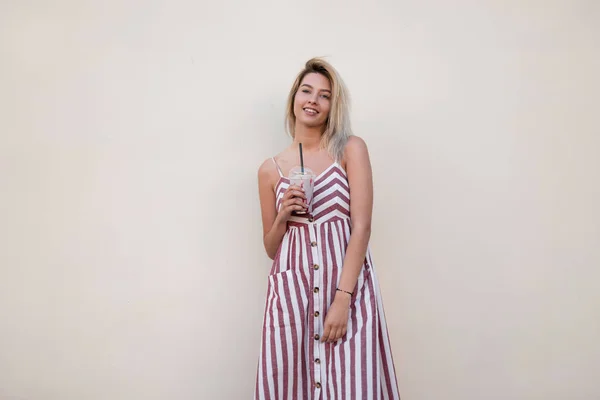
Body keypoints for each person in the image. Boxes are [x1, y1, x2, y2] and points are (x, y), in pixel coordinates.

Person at [255, 58, 401, 399]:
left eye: (324, 96)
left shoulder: (350, 149)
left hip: (347, 289)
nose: (313, 100)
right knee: (292, 385)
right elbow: (271, 247)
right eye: (306, 91)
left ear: (332, 106)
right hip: (293, 296)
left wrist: (342, 299)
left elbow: (362, 227)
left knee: (352, 383)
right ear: (294, 98)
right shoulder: (269, 170)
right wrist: (283, 216)